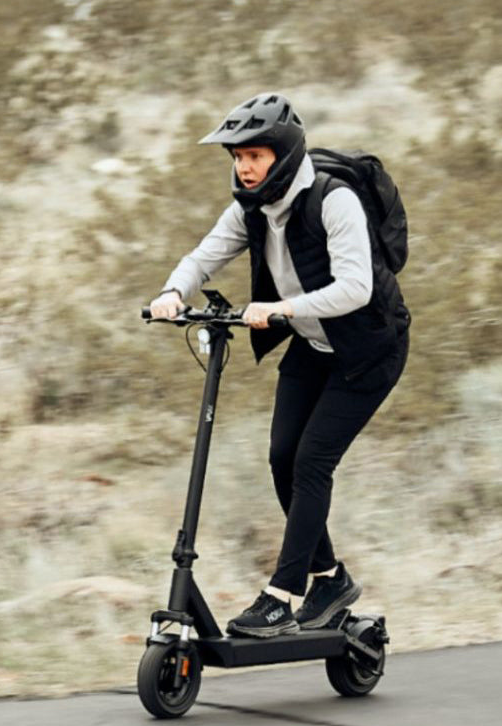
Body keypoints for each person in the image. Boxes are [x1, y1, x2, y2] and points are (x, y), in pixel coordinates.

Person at [150, 92, 410, 638]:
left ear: (284, 155)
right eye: (237, 157)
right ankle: (331, 578)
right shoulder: (251, 206)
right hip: (314, 346)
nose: (244, 167)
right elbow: (205, 255)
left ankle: (282, 594)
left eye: (255, 156)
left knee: (312, 462)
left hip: (369, 351)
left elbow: (357, 289)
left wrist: (282, 308)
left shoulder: (333, 200)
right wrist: (173, 292)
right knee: (281, 459)